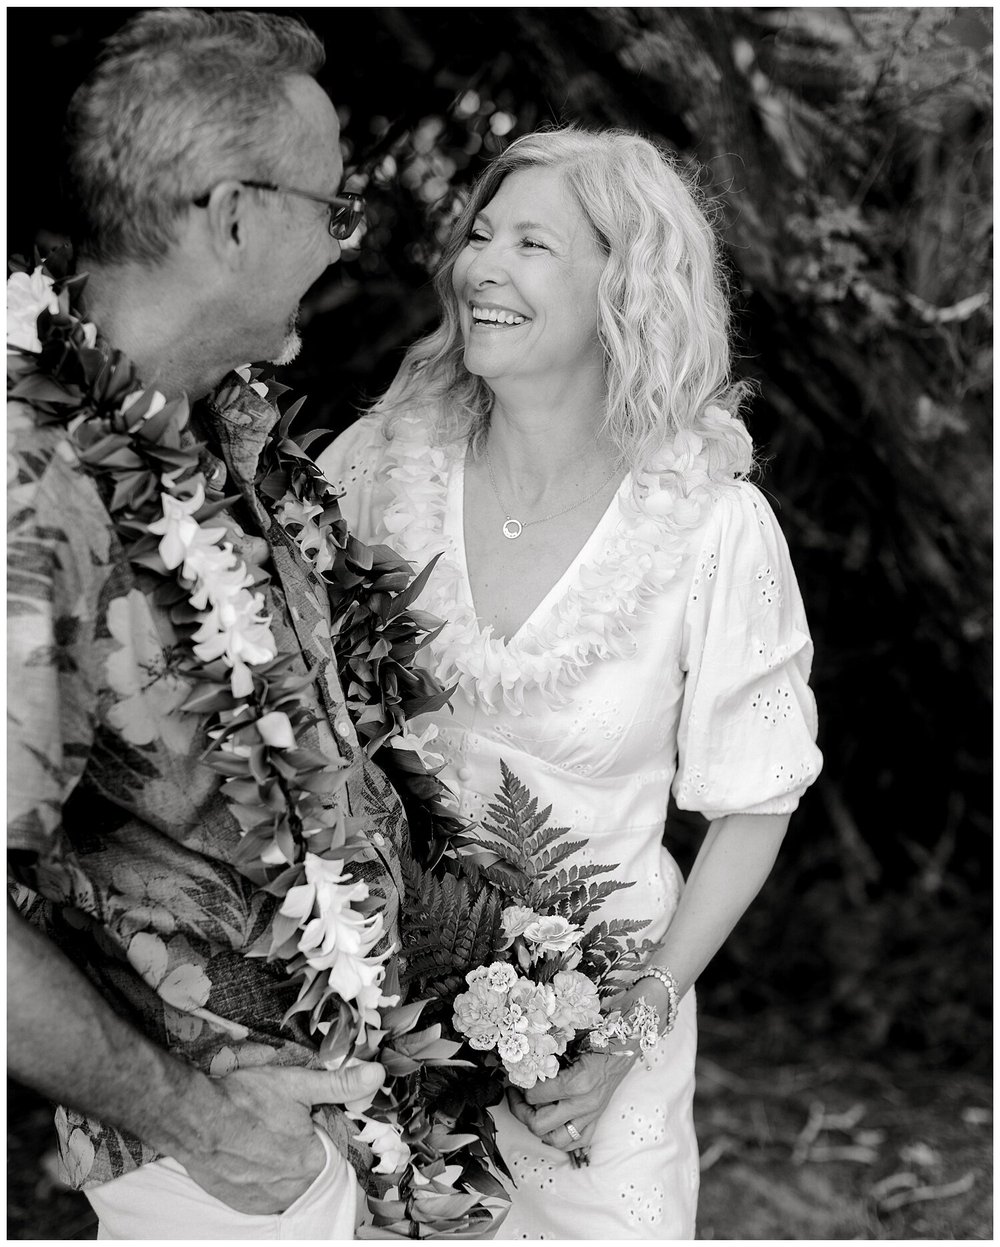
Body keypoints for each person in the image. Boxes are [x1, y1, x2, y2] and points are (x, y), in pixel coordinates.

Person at [318, 126, 823, 1239]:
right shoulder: (372, 464)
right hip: (379, 1013)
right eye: (481, 234)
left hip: (603, 1039)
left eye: (532, 244)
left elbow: (754, 805)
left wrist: (632, 1024)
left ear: (624, 285)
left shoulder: (712, 522)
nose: (481, 265)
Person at [8, 10, 402, 1240]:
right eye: (330, 212)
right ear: (233, 216)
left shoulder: (212, 431)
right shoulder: (33, 487)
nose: (340, 251)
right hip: (211, 1171)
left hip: (323, 1125)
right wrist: (202, 1124)